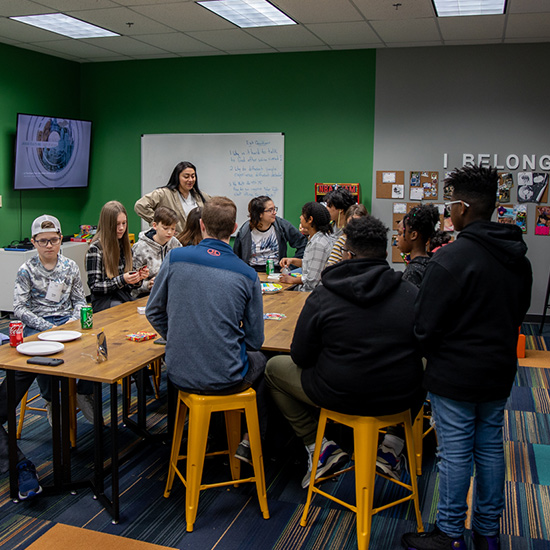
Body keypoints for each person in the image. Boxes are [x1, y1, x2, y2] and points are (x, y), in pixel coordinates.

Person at [402, 165, 532, 550]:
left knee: (454, 453)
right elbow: (518, 312)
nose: (448, 212)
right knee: (490, 446)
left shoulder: (452, 260)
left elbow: (424, 328)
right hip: (498, 371)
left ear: (462, 207)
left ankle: (449, 533)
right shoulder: (519, 259)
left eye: (450, 204)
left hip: (454, 375)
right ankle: (488, 533)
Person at [265, 216, 424, 488]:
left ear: (347, 254)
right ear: (386, 253)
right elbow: (424, 344)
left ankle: (318, 446)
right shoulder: (412, 293)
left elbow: (301, 356)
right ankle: (393, 445)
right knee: (425, 362)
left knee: (272, 369)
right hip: (398, 397)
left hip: (337, 394)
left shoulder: (324, 295)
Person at [145, 196, 267, 461]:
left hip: (178, 372)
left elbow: (154, 310)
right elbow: (256, 340)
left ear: (201, 224)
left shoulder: (175, 257)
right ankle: (249, 441)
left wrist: (179, 335)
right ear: (235, 229)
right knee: (265, 361)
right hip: (227, 377)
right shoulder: (248, 275)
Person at [13, 215, 95, 424]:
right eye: (43, 241)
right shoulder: (26, 270)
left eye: (54, 240)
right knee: (44, 352)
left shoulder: (70, 266)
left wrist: (73, 320)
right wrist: (48, 328)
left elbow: (80, 300)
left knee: (93, 344)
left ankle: (83, 392)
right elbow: (19, 308)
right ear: (34, 242)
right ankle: (51, 400)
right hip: (38, 323)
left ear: (60, 239)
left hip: (67, 320)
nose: (49, 245)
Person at [86, 201, 149, 312]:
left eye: (124, 223)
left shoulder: (125, 246)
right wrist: (122, 279)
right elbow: (95, 287)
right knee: (127, 311)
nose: (121, 228)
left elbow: (130, 287)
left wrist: (137, 278)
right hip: (104, 302)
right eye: (117, 224)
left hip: (123, 297)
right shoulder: (95, 249)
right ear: (107, 224)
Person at [233, 196, 307, 272]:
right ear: (260, 214)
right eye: (270, 210)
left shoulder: (282, 226)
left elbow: (302, 243)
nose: (274, 212)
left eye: (274, 209)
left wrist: (291, 266)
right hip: (253, 272)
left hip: (277, 270)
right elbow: (236, 257)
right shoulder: (245, 231)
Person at [135, 161, 210, 233]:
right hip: (173, 241)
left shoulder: (200, 196)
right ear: (177, 177)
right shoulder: (164, 193)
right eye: (186, 177)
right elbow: (140, 205)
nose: (190, 180)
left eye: (193, 176)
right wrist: (161, 222)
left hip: (196, 242)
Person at [279, 201, 333, 291]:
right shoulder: (315, 238)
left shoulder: (318, 244)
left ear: (310, 219)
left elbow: (312, 281)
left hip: (311, 293)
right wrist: (292, 261)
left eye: (303, 215)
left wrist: (292, 280)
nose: (300, 217)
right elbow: (311, 264)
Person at [131, 206, 181, 298]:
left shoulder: (175, 243)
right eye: (165, 228)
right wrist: (148, 285)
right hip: (145, 296)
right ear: (155, 225)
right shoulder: (140, 248)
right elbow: (132, 284)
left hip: (170, 293)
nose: (170, 232)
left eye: (173, 229)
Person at [396, 204, 440, 288]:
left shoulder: (413, 272)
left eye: (400, 234)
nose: (397, 239)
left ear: (413, 235)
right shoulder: (432, 262)